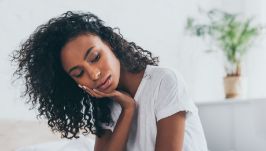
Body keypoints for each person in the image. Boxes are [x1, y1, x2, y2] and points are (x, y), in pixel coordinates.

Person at [12, 11, 208, 151]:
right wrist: (128, 109)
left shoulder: (164, 82)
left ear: (110, 44)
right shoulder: (105, 105)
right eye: (79, 73)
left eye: (95, 57)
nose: (94, 75)